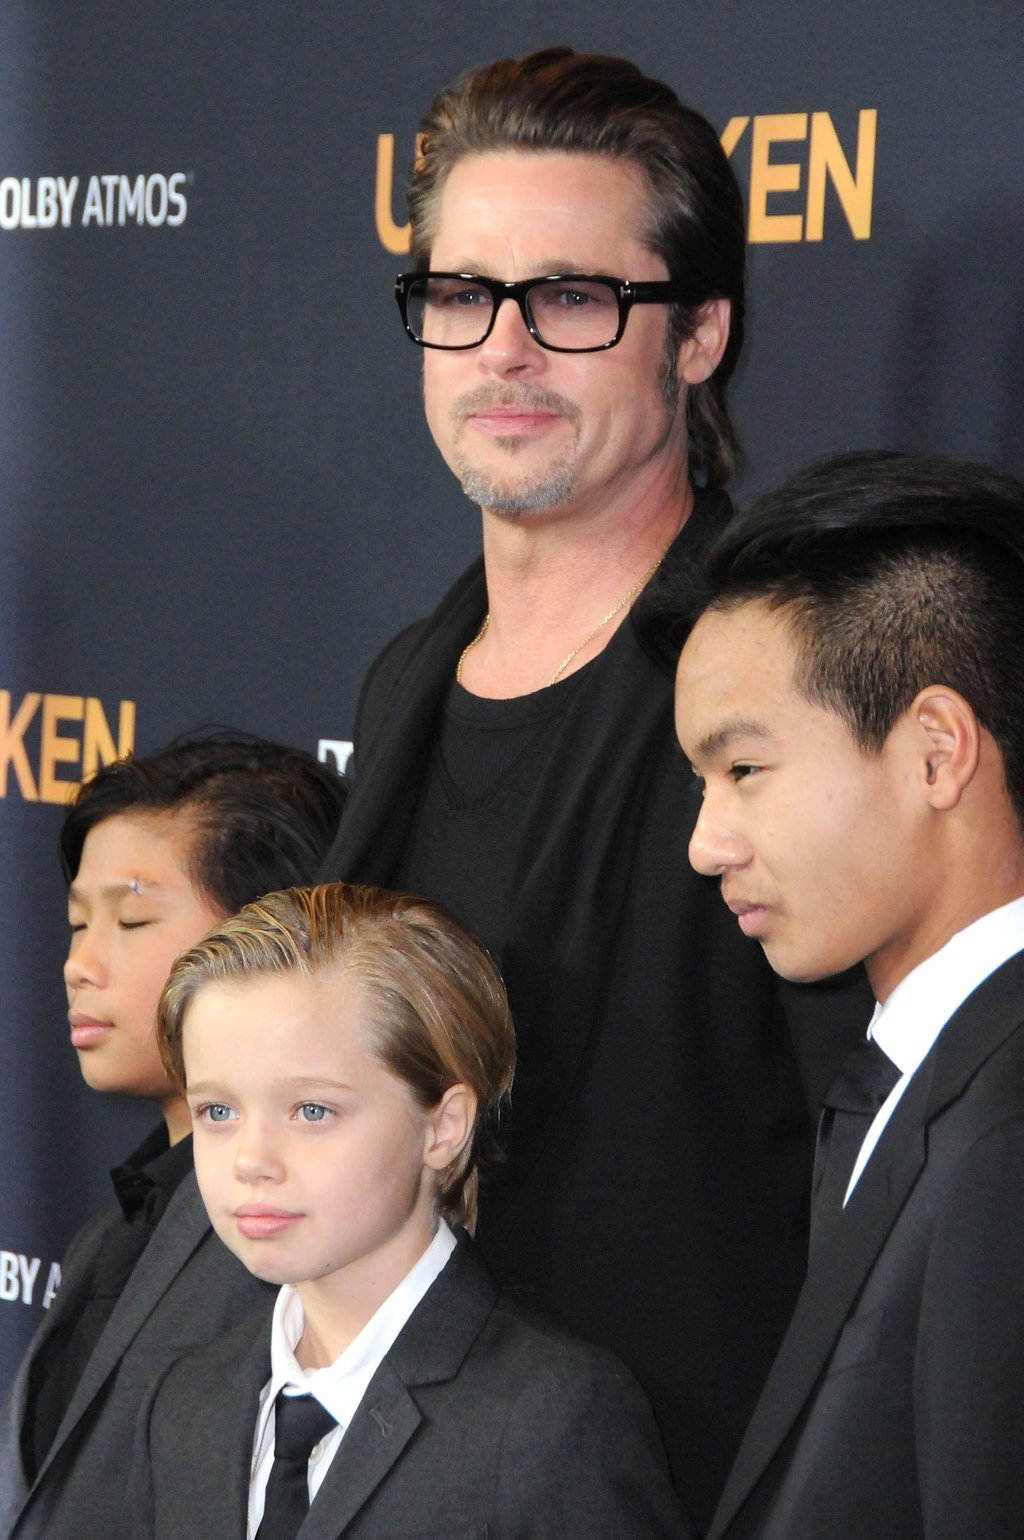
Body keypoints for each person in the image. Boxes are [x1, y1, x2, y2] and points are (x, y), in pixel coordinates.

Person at [319, 44, 866, 1524]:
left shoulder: (796, 689)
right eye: (458, 294)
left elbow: (881, 1186)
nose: (501, 350)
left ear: (696, 336)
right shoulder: (405, 682)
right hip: (407, 1472)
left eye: (570, 298)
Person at [673, 452, 1024, 1539]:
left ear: (934, 752)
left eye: (742, 771)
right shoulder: (918, 1084)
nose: (703, 843)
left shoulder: (1005, 1133)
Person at [128, 882, 694, 1539]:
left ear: (444, 1127)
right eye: (218, 1111)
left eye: (313, 1111)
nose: (252, 1159)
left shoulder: (548, 1416)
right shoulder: (185, 1402)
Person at [0, 735, 348, 1540]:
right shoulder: (116, 1233)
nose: (79, 964)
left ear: (269, 932)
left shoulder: (299, 1245)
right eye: (77, 922)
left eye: (131, 919)